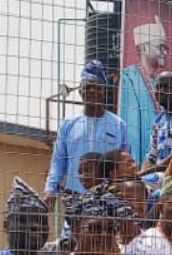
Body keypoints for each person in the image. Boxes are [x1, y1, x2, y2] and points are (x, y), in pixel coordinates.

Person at [45, 61, 130, 203]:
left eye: (97, 87)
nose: (92, 91)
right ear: (80, 91)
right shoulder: (68, 124)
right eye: (87, 87)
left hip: (108, 201)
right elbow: (58, 162)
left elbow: (125, 164)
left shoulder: (118, 125)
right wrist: (50, 189)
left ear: (104, 91)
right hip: (75, 199)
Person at [39, 150, 124, 255]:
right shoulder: (81, 201)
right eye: (80, 172)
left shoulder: (112, 197)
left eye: (88, 170)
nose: (83, 176)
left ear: (101, 171)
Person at [120, 16, 168, 167]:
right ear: (145, 48)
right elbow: (131, 130)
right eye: (160, 47)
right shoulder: (129, 78)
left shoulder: (158, 82)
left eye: (165, 48)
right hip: (140, 167)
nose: (165, 53)